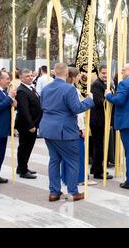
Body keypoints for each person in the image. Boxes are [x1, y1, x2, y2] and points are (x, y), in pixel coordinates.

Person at [39, 63, 94, 202]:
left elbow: (43, 106)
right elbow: (77, 108)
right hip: (64, 131)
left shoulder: (45, 88)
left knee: (54, 161)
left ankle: (54, 192)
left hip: (48, 129)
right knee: (72, 162)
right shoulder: (68, 89)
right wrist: (89, 101)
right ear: (66, 73)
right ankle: (73, 192)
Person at [61, 68, 97, 187]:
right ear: (74, 77)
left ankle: (66, 177)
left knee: (66, 155)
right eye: (78, 76)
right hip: (75, 126)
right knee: (79, 154)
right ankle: (80, 178)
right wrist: (82, 128)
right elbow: (78, 111)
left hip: (63, 127)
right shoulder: (72, 90)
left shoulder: (60, 88)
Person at [15, 68, 42, 179]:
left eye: (31, 75)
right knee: (24, 147)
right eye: (27, 76)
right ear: (21, 78)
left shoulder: (30, 88)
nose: (30, 77)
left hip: (33, 123)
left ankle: (21, 167)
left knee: (28, 147)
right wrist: (31, 125)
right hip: (27, 125)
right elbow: (24, 110)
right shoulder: (21, 90)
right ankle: (23, 170)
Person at [0, 71, 17, 189]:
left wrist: (13, 103)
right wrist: (9, 98)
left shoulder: (3, 91)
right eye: (7, 79)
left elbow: (6, 104)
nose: (9, 81)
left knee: (0, 154)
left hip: (3, 128)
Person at [90, 65, 112, 180]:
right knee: (99, 146)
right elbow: (99, 102)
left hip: (101, 119)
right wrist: (110, 98)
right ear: (99, 73)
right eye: (103, 73)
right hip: (97, 120)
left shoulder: (105, 84)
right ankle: (98, 172)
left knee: (98, 145)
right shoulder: (97, 85)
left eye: (107, 73)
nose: (105, 75)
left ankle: (95, 168)